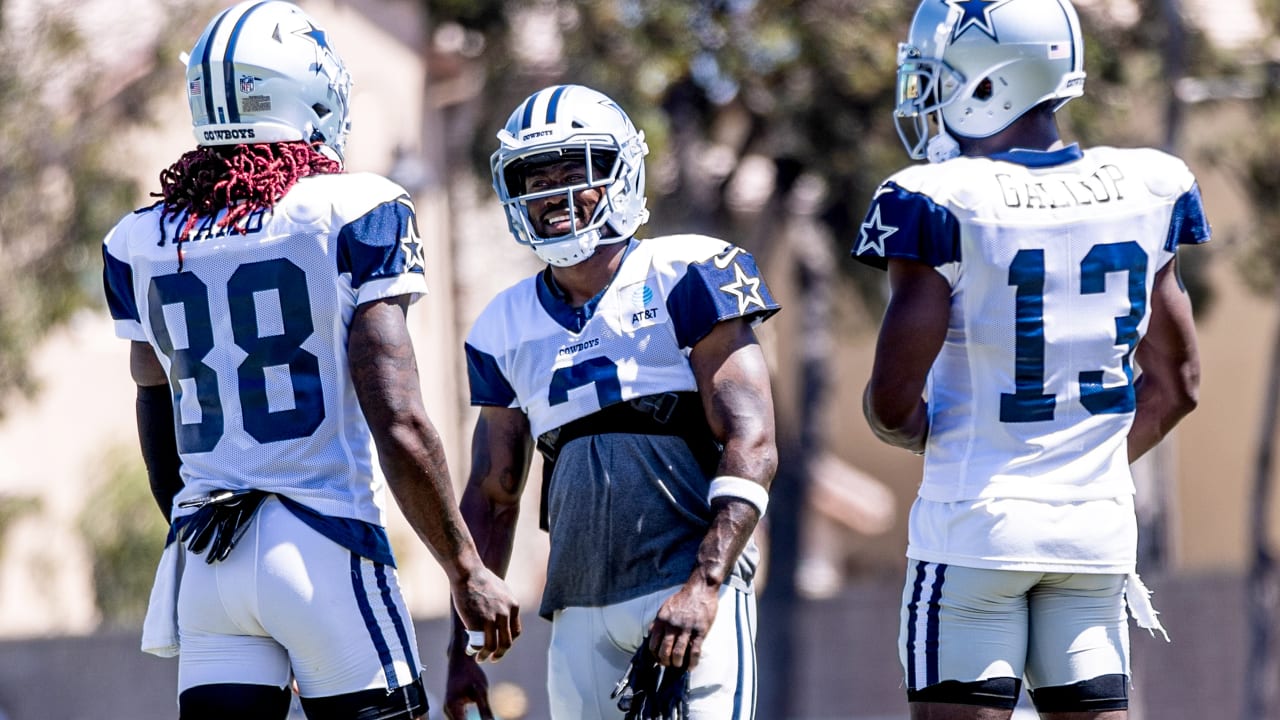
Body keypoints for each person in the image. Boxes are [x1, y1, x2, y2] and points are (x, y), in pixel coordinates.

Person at [100, 2, 520, 718]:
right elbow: (399, 418)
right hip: (324, 541)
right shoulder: (352, 208)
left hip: (208, 560)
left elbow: (155, 410)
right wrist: (465, 568)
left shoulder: (137, 238)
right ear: (307, 90)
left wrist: (192, 519)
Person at [854, 0, 1208, 718]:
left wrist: (956, 439)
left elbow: (891, 405)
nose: (925, 95)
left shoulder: (940, 200)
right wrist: (1085, 458)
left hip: (976, 530)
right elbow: (1178, 386)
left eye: (940, 76)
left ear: (989, 83)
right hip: (1095, 531)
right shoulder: (1146, 187)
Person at [442, 84, 780, 720]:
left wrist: (706, 585)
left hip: (682, 589)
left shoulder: (686, 271)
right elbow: (493, 494)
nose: (553, 192)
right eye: (536, 176)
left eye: (577, 170)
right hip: (577, 608)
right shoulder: (501, 325)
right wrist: (463, 652)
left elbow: (753, 443)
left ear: (622, 174)